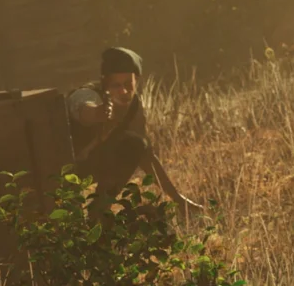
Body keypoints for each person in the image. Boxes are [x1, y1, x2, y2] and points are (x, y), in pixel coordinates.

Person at [65, 47, 198, 210]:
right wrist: (98, 113)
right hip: (63, 171)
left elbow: (146, 156)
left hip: (93, 165)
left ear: (137, 81)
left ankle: (100, 208)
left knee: (135, 144)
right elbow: (83, 108)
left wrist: (178, 199)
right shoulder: (87, 94)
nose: (123, 91)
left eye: (129, 84)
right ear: (105, 82)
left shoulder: (133, 107)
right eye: (116, 85)